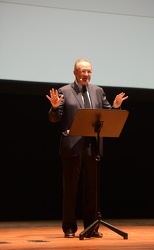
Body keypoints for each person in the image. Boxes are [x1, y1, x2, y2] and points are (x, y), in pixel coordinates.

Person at [46, 58, 128, 238]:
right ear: (75, 72)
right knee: (70, 189)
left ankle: (91, 228)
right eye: (83, 71)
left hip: (93, 146)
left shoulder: (98, 91)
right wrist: (53, 108)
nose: (86, 75)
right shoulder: (64, 91)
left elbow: (107, 115)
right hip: (72, 146)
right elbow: (55, 118)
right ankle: (69, 228)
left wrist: (115, 107)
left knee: (92, 190)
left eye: (89, 71)